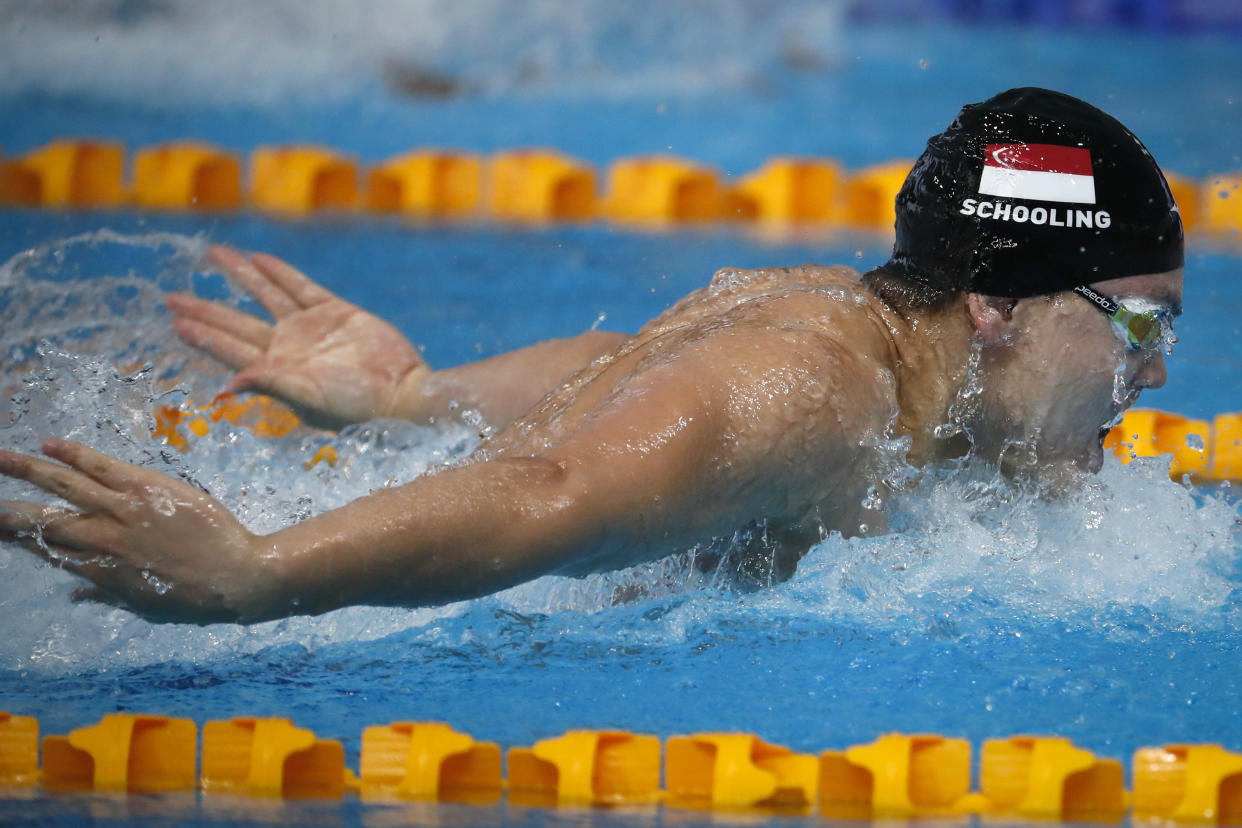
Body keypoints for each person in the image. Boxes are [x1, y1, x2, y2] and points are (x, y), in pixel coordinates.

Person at [0, 88, 1183, 623]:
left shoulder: (845, 319)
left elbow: (621, 366)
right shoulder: (819, 394)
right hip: (406, 611)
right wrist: (260, 572)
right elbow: (557, 488)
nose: (1157, 375)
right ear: (993, 301)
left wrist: (422, 398)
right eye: (1137, 323)